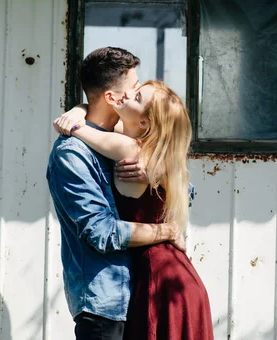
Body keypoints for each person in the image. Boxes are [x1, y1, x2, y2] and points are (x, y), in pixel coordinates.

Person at [56, 79, 214, 340]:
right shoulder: (152, 152)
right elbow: (97, 120)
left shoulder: (127, 148)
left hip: (159, 276)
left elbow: (81, 129)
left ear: (144, 123)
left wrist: (74, 116)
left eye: (137, 97)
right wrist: (81, 108)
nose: (128, 94)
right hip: (176, 276)